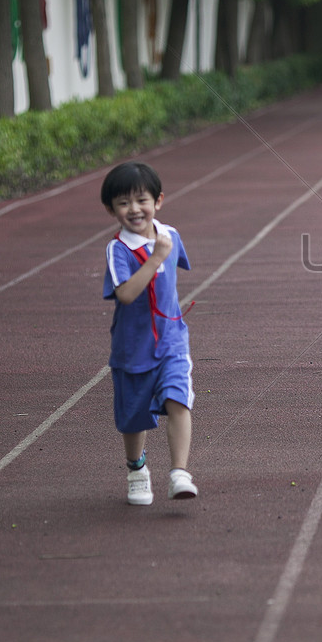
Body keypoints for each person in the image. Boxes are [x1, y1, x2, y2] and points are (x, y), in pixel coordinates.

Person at [101, 161, 199, 506]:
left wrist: (162, 255)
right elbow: (126, 294)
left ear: (158, 201)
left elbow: (178, 266)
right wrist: (155, 258)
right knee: (133, 417)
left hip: (172, 340)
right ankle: (136, 468)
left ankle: (179, 473)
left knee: (177, 398)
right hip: (132, 349)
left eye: (141, 200)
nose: (134, 209)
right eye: (123, 203)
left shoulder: (169, 235)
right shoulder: (118, 250)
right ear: (111, 210)